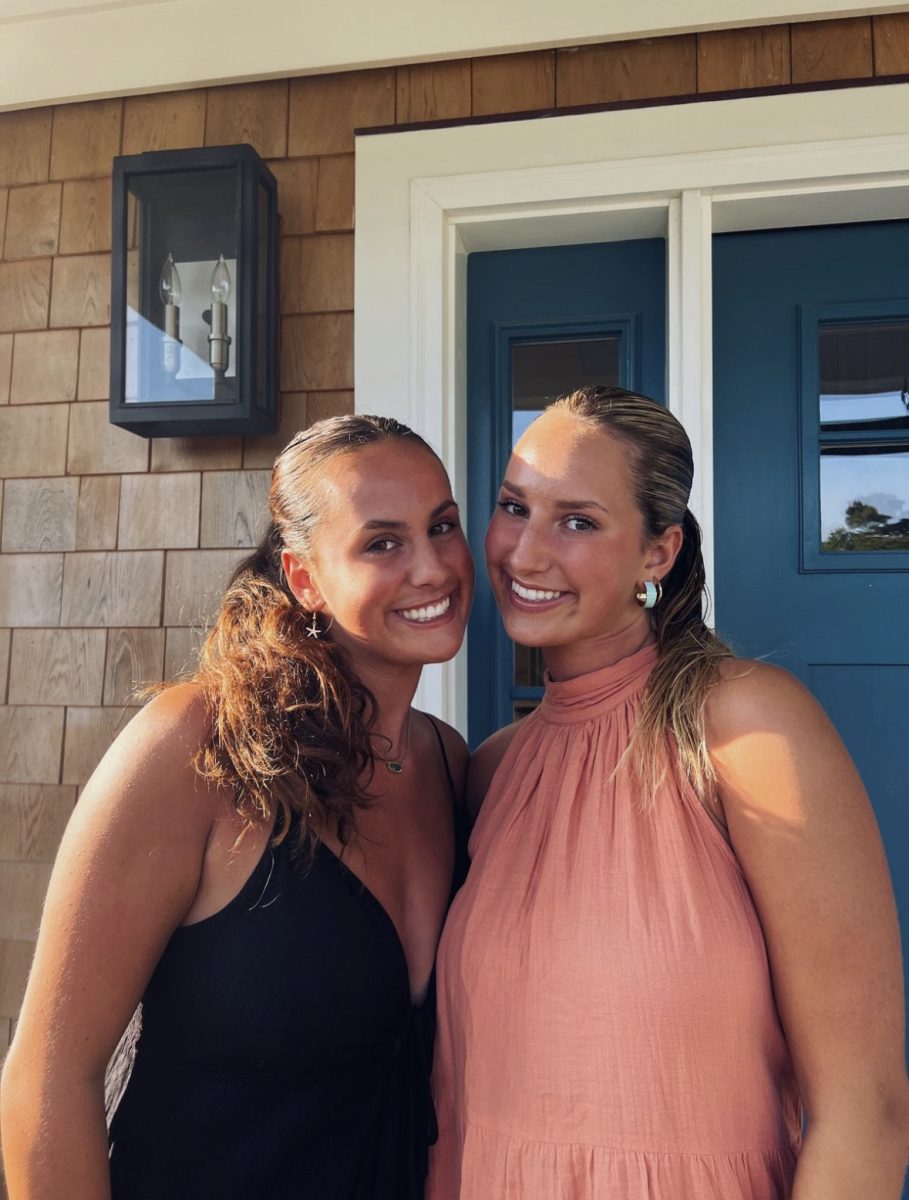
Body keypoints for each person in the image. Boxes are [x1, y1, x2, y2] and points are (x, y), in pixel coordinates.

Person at [429, 386, 908, 1199]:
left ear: (658, 553)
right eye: (514, 507)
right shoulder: (492, 770)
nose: (524, 553)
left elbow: (866, 1111)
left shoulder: (744, 727)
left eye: (577, 521)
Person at [1, 414, 474, 1200]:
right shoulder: (197, 748)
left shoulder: (450, 765)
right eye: (382, 542)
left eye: (443, 526)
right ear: (304, 577)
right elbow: (49, 1081)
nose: (432, 567)